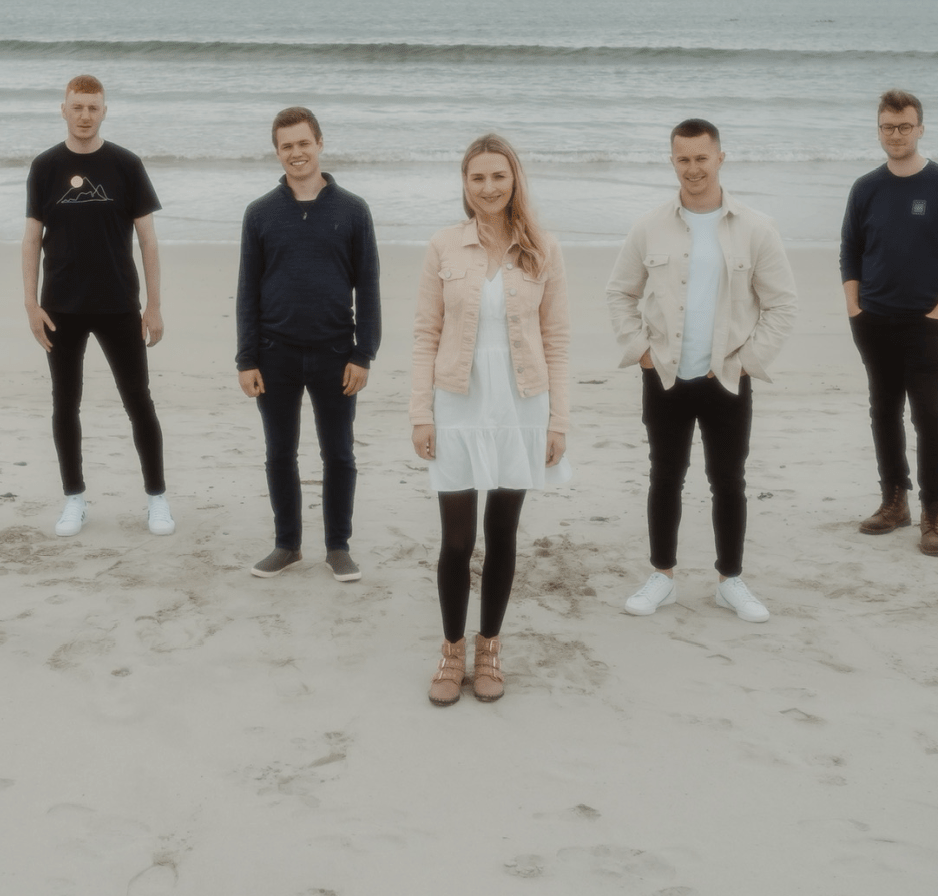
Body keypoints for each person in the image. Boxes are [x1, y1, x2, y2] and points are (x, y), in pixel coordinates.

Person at [605, 118, 797, 623]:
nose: (693, 168)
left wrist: (746, 363)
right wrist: (641, 352)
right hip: (664, 376)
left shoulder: (756, 227)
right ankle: (662, 578)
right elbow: (620, 293)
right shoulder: (649, 226)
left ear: (720, 158)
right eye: (683, 159)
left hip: (728, 380)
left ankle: (730, 581)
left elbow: (782, 305)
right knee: (664, 478)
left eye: (702, 158)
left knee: (728, 480)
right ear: (672, 161)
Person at [410, 134, 571, 706]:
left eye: (498, 176)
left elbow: (556, 339)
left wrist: (557, 422)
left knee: (502, 534)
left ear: (514, 179)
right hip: (456, 401)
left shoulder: (543, 248)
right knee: (457, 537)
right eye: (477, 178)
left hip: (521, 404)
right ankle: (452, 651)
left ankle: (490, 647)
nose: (488, 188)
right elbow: (425, 333)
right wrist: (420, 414)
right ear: (465, 183)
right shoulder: (443, 247)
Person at [236, 107, 382, 582]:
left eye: (303, 143)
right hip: (275, 355)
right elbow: (247, 290)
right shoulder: (259, 214)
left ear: (320, 143)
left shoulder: (353, 210)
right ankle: (287, 545)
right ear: (276, 152)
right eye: (286, 146)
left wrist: (364, 353)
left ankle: (338, 547)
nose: (296, 153)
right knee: (280, 452)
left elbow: (370, 287)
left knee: (338, 453)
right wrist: (246, 357)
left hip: (335, 354)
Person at [22, 75, 171, 538]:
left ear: (104, 111)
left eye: (93, 107)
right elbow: (31, 240)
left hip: (118, 304)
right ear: (63, 110)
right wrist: (30, 304)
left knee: (139, 401)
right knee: (65, 404)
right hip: (60, 307)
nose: (85, 115)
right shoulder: (45, 166)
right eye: (77, 107)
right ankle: (74, 499)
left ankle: (157, 499)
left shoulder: (126, 164)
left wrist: (154, 305)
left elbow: (147, 240)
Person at [841, 89, 938, 556]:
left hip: (927, 323)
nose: (896, 134)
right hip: (873, 320)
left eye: (905, 126)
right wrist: (855, 309)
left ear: (921, 128)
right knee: (883, 411)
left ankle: (933, 516)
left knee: (930, 417)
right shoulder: (865, 188)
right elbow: (850, 254)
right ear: (878, 129)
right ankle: (894, 502)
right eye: (888, 126)